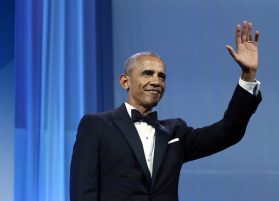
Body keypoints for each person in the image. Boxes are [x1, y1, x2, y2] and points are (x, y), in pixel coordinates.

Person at [70, 20, 262, 201]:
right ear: (125, 81)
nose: (156, 81)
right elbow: (83, 191)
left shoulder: (176, 132)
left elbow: (227, 132)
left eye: (161, 77)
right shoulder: (97, 125)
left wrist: (248, 76)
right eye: (147, 74)